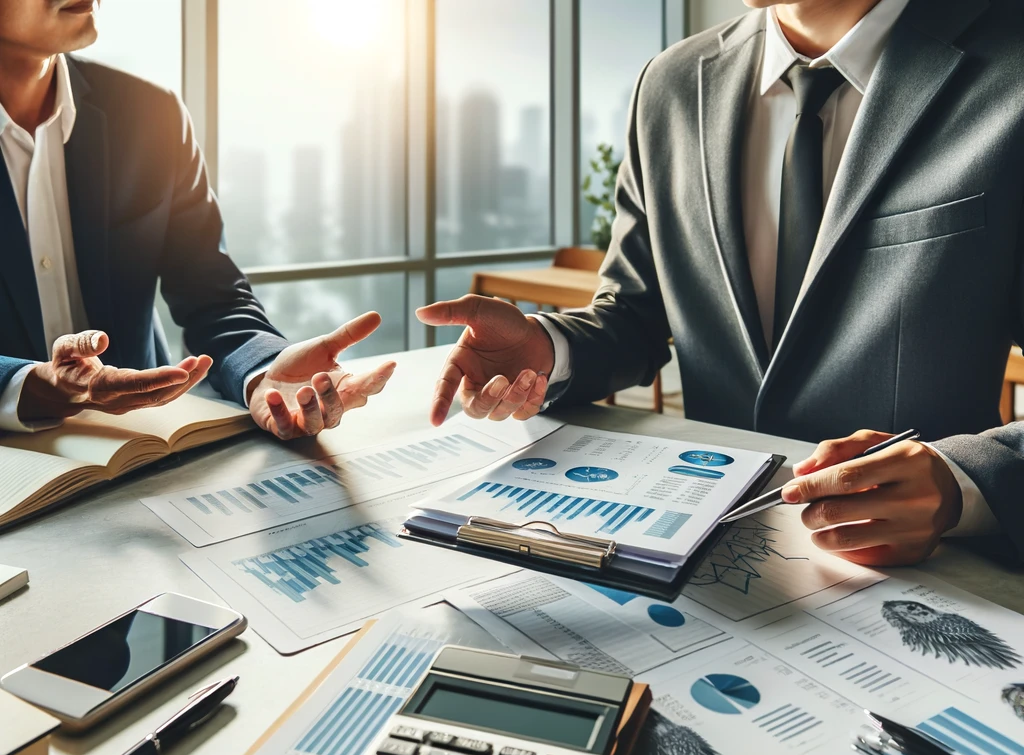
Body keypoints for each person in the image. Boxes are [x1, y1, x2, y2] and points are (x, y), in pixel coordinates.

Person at [417, 0, 1024, 567]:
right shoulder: (672, 83)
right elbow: (634, 313)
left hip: (932, 570)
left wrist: (961, 478)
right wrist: (546, 351)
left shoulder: (1008, 61)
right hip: (704, 553)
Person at [0, 0, 394, 440]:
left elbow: (212, 295)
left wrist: (262, 370)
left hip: (140, 451)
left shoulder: (149, 114)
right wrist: (28, 384)